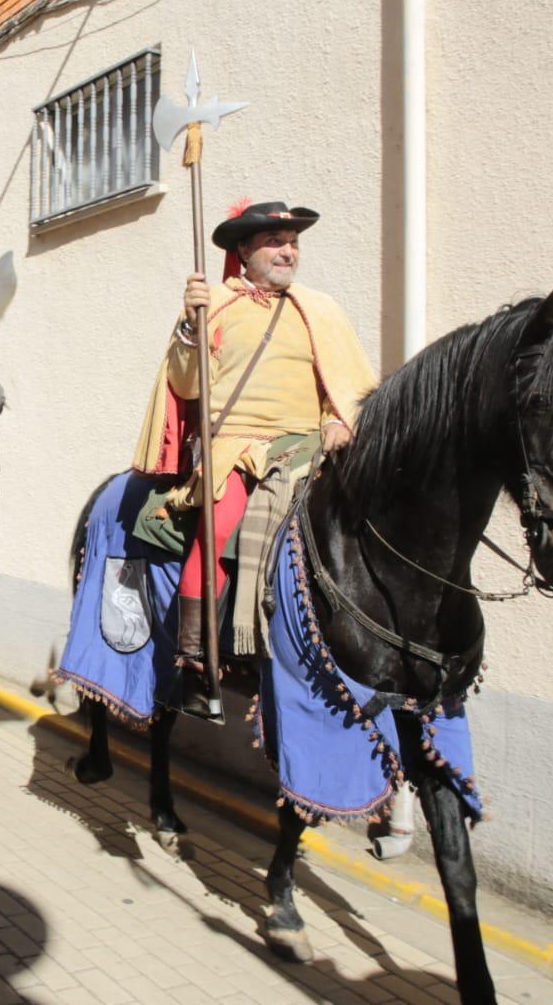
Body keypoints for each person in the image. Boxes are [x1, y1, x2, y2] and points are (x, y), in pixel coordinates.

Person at [131, 199, 377, 717]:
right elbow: (184, 381)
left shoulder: (321, 309)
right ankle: (196, 660)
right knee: (219, 525)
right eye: (275, 241)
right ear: (244, 250)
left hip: (308, 447)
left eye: (293, 242)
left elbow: (346, 384)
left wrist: (338, 418)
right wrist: (189, 326)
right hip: (236, 449)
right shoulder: (213, 303)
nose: (288, 251)